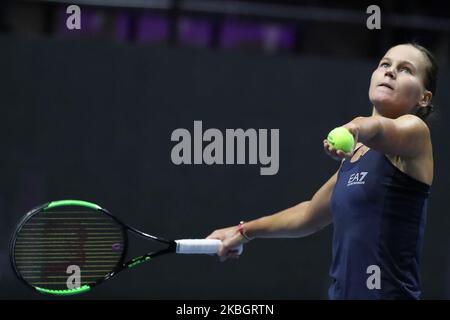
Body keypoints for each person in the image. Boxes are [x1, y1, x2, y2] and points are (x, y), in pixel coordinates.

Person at [207, 43, 438, 300]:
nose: (390, 72)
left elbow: (378, 129)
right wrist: (243, 231)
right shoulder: (356, 157)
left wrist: (353, 129)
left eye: (405, 69)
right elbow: (308, 214)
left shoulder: (416, 134)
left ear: (424, 98)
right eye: (385, 64)